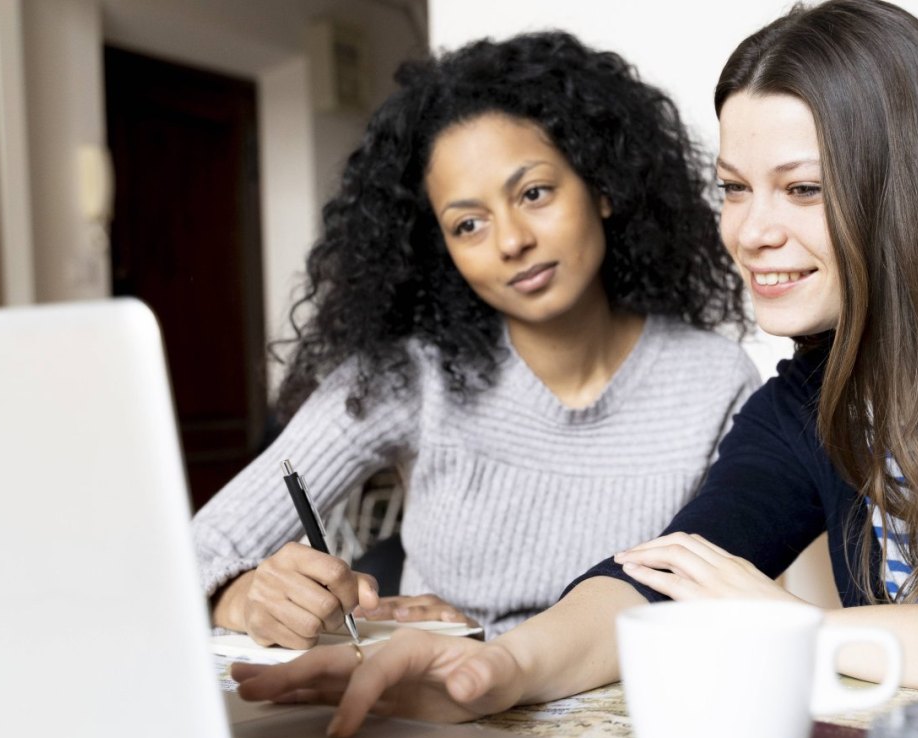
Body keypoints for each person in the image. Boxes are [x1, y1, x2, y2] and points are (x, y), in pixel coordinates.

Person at [232, 0, 918, 729]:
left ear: (916, 191)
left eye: (803, 189)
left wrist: (806, 636)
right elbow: (668, 573)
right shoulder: (813, 395)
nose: (750, 232)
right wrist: (497, 672)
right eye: (734, 189)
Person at [196, 31, 758, 649]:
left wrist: (495, 647)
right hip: (433, 719)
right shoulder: (413, 376)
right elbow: (197, 553)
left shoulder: (713, 380)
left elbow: (735, 616)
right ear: (443, 253)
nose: (511, 240)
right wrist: (249, 599)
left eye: (534, 194)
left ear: (602, 186)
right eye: (469, 224)